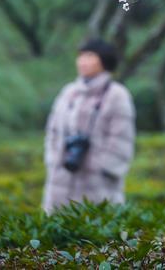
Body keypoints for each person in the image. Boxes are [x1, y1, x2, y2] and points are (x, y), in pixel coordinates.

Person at [42, 38, 136, 213]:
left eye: (90, 56)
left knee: (95, 234)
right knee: (57, 230)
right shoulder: (69, 92)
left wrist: (104, 166)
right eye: (81, 56)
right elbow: (52, 131)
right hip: (61, 178)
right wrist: (53, 159)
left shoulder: (117, 94)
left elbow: (122, 137)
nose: (83, 61)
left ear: (105, 60)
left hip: (98, 184)